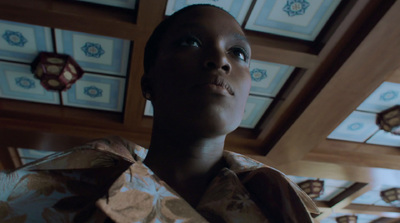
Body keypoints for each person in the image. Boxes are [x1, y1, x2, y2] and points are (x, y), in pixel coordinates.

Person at [0, 4, 319, 223]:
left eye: (238, 52)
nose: (220, 60)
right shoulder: (50, 193)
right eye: (190, 42)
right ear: (148, 83)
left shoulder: (283, 206)